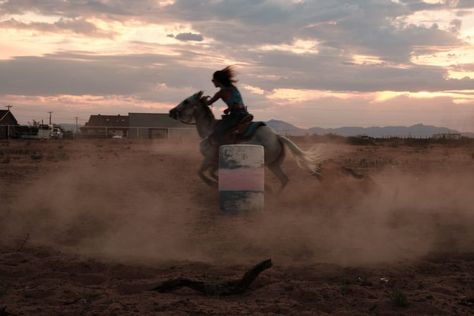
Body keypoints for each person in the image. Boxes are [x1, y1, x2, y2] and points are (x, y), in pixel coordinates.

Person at [205, 66, 251, 145]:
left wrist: (202, 100)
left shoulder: (221, 92)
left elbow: (208, 103)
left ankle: (221, 148)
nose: (212, 82)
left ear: (218, 80)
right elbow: (235, 101)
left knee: (218, 130)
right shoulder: (233, 88)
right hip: (244, 113)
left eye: (213, 80)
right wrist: (229, 108)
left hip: (236, 115)